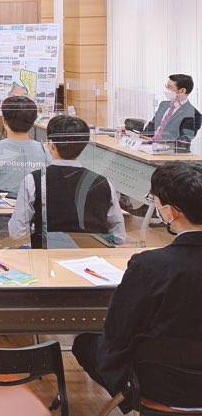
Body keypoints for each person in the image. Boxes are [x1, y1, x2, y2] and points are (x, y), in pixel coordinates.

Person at [72, 162, 202, 410]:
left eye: (155, 202)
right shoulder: (154, 266)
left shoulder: (150, 266)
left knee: (86, 345)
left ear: (170, 212)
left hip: (158, 382)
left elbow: (118, 331)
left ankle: (133, 400)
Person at [7, 115, 125, 244]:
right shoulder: (104, 183)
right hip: (93, 252)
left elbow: (17, 233)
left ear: (51, 145)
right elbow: (119, 236)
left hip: (47, 252)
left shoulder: (33, 180)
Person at [143, 73, 201, 152]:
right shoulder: (163, 105)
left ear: (182, 91)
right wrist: (144, 137)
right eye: (166, 86)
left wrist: (158, 144)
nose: (166, 89)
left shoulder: (193, 114)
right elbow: (152, 125)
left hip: (169, 152)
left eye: (169, 87)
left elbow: (183, 142)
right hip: (149, 147)